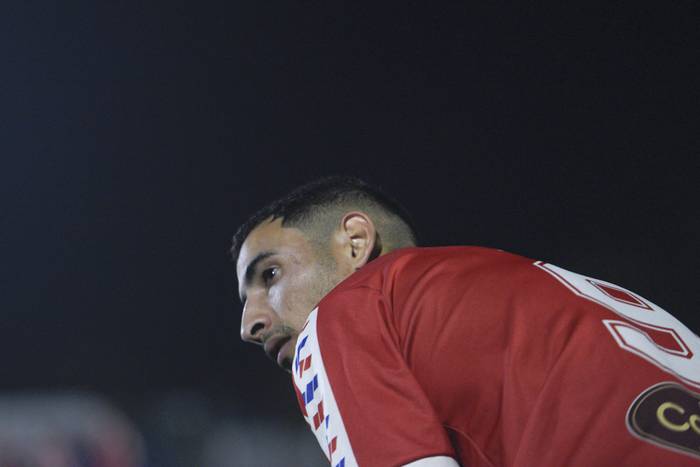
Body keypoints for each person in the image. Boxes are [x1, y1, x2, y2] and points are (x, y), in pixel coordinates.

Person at [232, 176, 700, 467]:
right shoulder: (526, 284)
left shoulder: (342, 313)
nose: (249, 323)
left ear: (355, 243)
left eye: (269, 274)